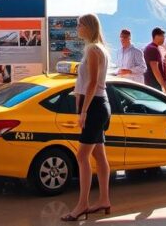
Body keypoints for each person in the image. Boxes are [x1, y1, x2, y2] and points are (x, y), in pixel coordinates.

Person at [61, 14, 112, 222]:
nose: (77, 28)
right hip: (101, 104)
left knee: (82, 156)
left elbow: (91, 84)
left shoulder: (93, 50)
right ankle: (104, 200)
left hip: (95, 106)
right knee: (99, 155)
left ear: (89, 27)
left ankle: (82, 204)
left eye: (80, 25)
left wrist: (83, 112)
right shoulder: (99, 49)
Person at [143, 27, 166, 93]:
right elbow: (155, 71)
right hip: (154, 85)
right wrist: (165, 87)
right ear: (157, 36)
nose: (164, 38)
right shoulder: (152, 49)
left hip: (154, 84)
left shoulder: (153, 47)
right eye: (163, 36)